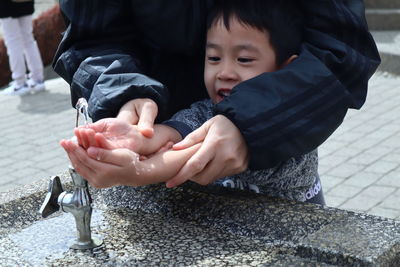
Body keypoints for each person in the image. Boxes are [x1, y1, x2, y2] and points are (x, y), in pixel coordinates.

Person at [54, 0, 380, 190]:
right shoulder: (203, 113)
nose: (225, 72)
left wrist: (139, 169)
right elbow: (178, 131)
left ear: (286, 64)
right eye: (213, 58)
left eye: (245, 59)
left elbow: (340, 48)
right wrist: (130, 114)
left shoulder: (279, 135)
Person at [0, 0, 45, 96]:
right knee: (29, 39)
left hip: (7, 6)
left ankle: (20, 83)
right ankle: (38, 79)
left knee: (12, 41)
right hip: (26, 3)